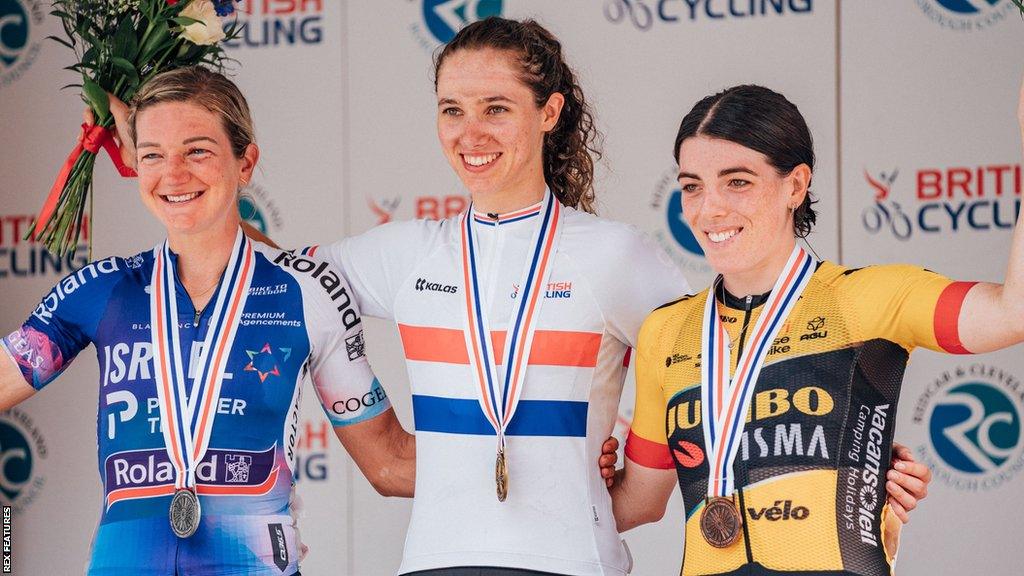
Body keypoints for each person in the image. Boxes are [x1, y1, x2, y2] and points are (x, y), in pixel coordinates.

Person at [99, 19, 929, 576]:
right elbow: (259, 268)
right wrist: (179, 171)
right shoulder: (401, 253)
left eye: (497, 107)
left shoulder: (618, 258)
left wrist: (842, 457)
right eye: (452, 109)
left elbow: (730, 368)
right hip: (434, 562)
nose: (471, 132)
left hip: (576, 563)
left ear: (549, 112)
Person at [0, 67, 415, 576]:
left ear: (246, 162)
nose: (173, 174)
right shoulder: (103, 289)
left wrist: (525, 452)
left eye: (197, 151)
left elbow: (389, 464)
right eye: (152, 154)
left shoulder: (304, 294)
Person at [612, 82, 1024, 575]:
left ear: (795, 185)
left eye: (737, 181)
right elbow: (636, 504)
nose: (709, 208)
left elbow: (1012, 313)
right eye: (692, 185)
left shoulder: (869, 298)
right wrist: (576, 466)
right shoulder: (667, 331)